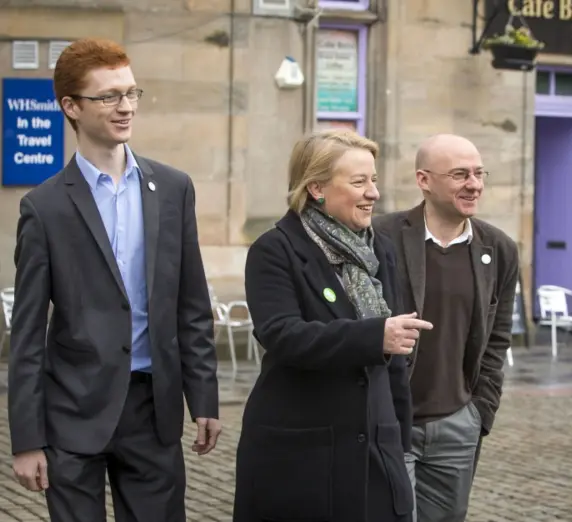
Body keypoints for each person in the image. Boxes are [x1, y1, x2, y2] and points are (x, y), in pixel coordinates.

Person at [8, 38, 221, 522]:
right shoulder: (44, 209)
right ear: (71, 107)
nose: (125, 107)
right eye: (108, 96)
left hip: (153, 408)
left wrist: (203, 396)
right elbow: (26, 336)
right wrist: (26, 440)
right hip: (72, 413)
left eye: (130, 93)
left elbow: (191, 302)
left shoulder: (172, 188)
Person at [233, 129, 432, 522]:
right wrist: (375, 335)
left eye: (373, 180)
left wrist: (399, 441)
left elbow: (395, 357)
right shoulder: (275, 249)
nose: (373, 193)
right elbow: (282, 334)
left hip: (375, 450)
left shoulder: (378, 250)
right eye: (359, 182)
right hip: (300, 457)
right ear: (317, 188)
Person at [373, 134, 519, 522]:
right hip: (389, 422)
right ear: (424, 180)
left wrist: (478, 412)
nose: (474, 184)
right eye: (459, 174)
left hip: (457, 424)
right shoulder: (380, 236)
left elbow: (498, 338)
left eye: (478, 173)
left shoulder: (499, 248)